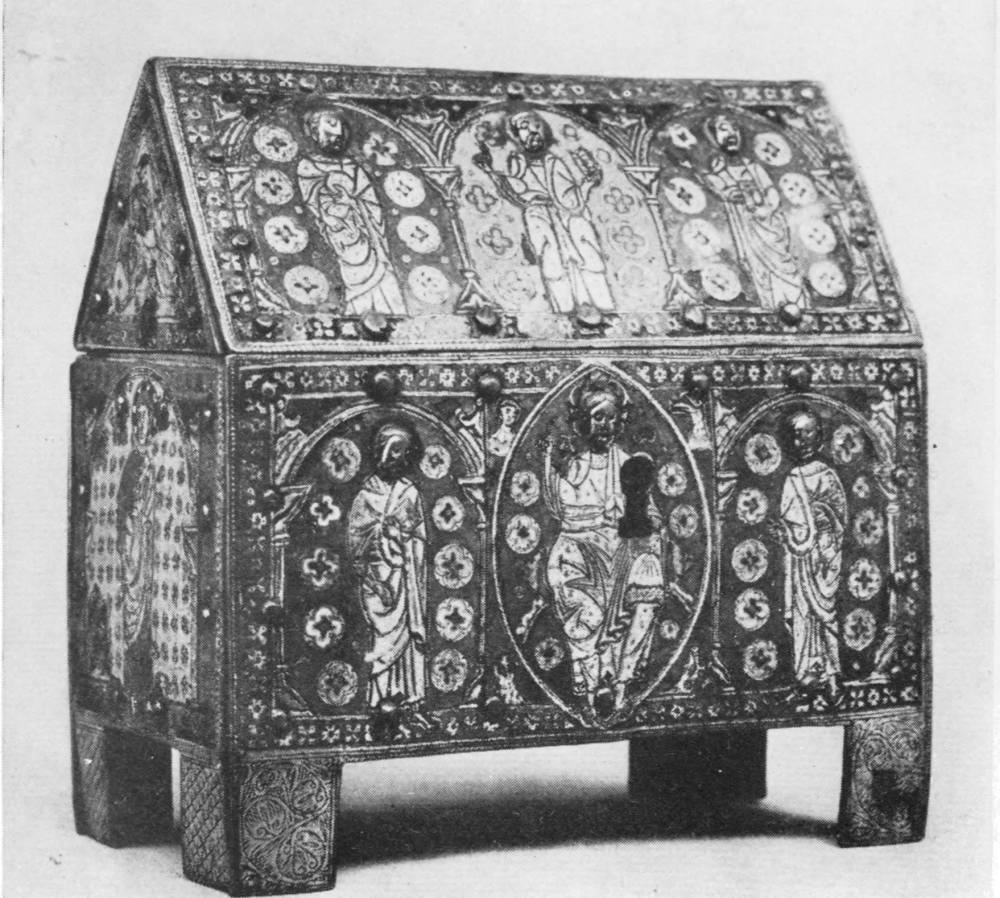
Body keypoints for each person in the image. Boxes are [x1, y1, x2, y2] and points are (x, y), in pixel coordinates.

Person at [544, 375, 630, 715]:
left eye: (611, 417)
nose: (605, 424)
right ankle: (589, 681)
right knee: (585, 614)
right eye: (597, 417)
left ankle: (610, 681)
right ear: (582, 421)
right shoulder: (573, 467)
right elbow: (565, 511)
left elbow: (644, 514)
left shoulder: (626, 463)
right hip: (575, 553)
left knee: (622, 611)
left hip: (616, 555)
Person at [475, 108, 615, 314]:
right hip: (539, 217)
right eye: (524, 128)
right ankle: (563, 311)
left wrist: (586, 184)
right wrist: (490, 172)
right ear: (516, 136)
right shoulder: (517, 163)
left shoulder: (554, 162)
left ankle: (602, 307)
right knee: (552, 262)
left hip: (570, 219)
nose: (532, 132)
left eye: (537, 126)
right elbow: (516, 189)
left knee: (588, 257)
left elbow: (570, 198)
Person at [348, 420, 428, 706]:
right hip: (378, 581)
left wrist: (405, 538)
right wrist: (375, 582)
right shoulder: (365, 496)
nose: (399, 458)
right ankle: (380, 698)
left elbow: (419, 538)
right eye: (394, 451)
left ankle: (410, 698)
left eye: (404, 452)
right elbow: (356, 549)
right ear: (380, 451)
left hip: (406, 580)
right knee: (382, 639)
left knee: (407, 639)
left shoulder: (410, 493)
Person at [297, 109, 407, 316]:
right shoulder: (308, 166)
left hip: (365, 230)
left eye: (339, 135)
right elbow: (312, 200)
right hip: (339, 231)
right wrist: (332, 208)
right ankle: (356, 309)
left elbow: (370, 200)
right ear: (315, 134)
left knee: (381, 272)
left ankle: (390, 309)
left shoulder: (353, 166)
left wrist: (353, 202)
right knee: (352, 273)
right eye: (329, 134)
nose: (335, 139)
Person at [770, 409, 847, 698]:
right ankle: (806, 675)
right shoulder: (792, 477)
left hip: (825, 555)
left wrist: (819, 524)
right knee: (803, 614)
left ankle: (833, 675)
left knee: (827, 613)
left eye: (807, 433)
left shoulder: (828, 475)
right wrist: (788, 533)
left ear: (819, 437)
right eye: (794, 434)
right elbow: (791, 523)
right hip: (800, 559)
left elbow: (840, 517)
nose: (800, 440)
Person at [702, 113, 806, 310]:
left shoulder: (753, 167)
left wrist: (767, 209)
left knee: (784, 264)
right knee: (757, 268)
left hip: (770, 225)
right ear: (714, 137)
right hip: (747, 229)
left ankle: (796, 303)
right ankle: (769, 304)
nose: (731, 134)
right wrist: (730, 192)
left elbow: (770, 191)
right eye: (723, 130)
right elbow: (719, 189)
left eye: (735, 129)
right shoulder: (717, 172)